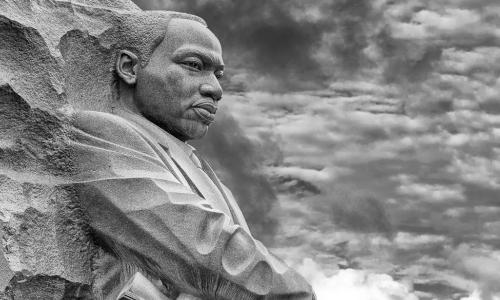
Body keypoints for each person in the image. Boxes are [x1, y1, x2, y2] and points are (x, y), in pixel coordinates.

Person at [69, 11, 315, 299]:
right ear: (129, 68)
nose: (215, 88)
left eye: (217, 74)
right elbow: (202, 246)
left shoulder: (195, 166)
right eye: (194, 65)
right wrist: (294, 292)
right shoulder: (100, 133)